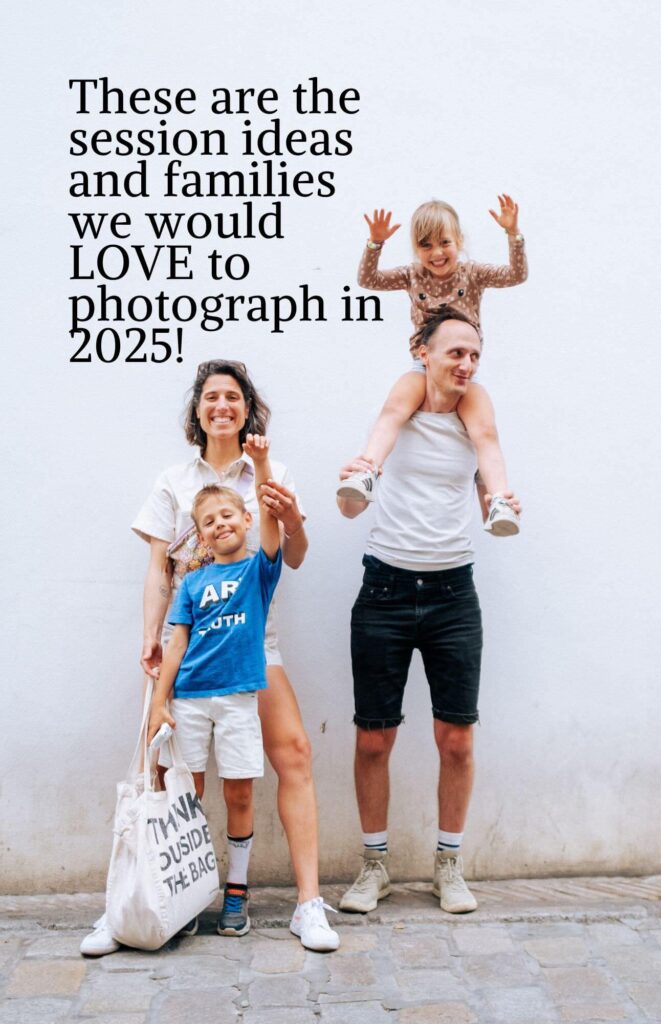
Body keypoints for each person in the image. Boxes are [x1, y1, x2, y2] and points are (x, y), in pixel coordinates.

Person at [81, 360, 339, 956]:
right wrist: (151, 634)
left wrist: (293, 517)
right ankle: (137, 903)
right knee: (166, 778)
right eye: (211, 397)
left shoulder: (271, 472)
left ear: (248, 409)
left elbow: (290, 557)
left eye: (233, 396)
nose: (222, 405)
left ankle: (307, 905)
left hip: (255, 647)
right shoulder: (172, 479)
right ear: (197, 411)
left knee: (294, 752)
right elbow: (157, 569)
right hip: (189, 650)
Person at [337, 308, 521, 915]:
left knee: (457, 738)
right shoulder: (410, 388)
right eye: (455, 353)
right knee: (373, 739)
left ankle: (448, 864)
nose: (466, 364)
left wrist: (496, 497)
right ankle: (375, 867)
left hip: (452, 595)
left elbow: (488, 447)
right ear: (424, 351)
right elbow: (390, 421)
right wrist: (366, 468)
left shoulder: (476, 405)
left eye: (474, 354)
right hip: (385, 588)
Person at [147, 434, 282, 938]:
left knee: (240, 794)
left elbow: (274, 523)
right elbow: (175, 646)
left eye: (228, 515)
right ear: (200, 537)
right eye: (208, 521)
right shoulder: (193, 585)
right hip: (189, 702)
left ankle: (236, 891)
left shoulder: (259, 571)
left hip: (238, 701)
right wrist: (161, 704)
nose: (220, 524)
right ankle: (189, 890)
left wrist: (263, 462)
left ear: (245, 520)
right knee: (189, 794)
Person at [337, 197, 527, 537]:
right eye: (425, 246)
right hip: (422, 366)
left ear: (459, 242)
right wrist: (375, 243)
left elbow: (516, 275)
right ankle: (366, 471)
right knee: (394, 409)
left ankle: (499, 499)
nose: (436, 253)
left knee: (485, 431)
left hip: (462, 367)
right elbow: (369, 280)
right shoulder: (413, 275)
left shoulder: (473, 272)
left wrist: (513, 235)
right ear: (416, 249)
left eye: (445, 243)